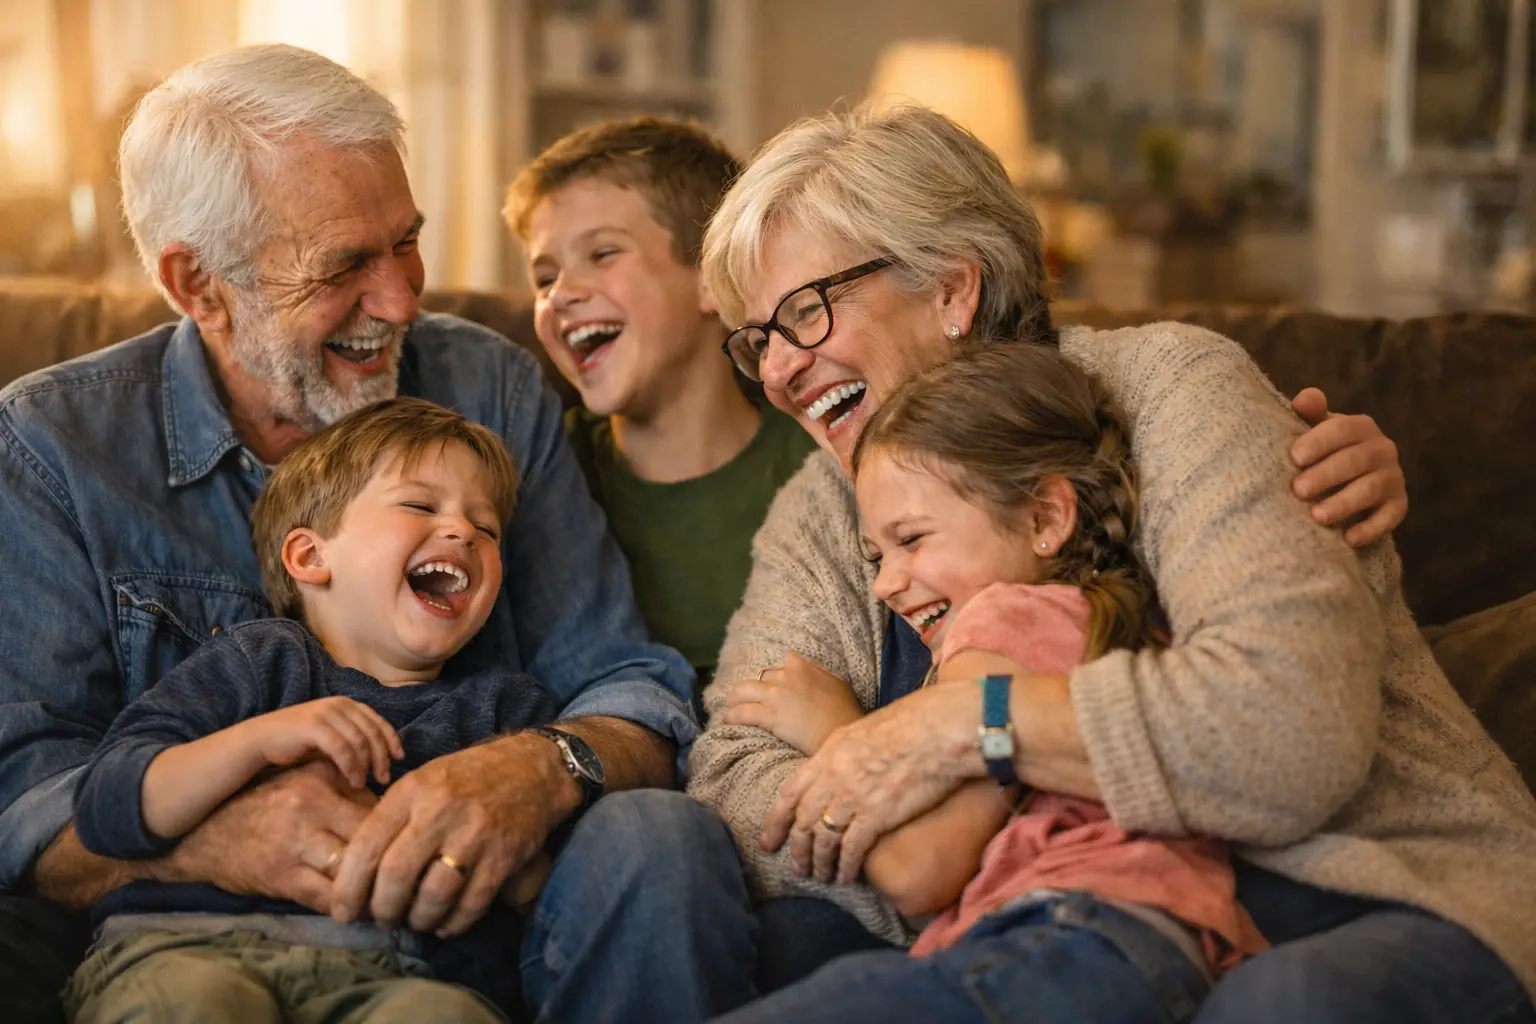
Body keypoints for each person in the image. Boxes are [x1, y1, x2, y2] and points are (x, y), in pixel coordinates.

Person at [688, 102, 1536, 1023]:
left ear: (951, 289)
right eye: (757, 339)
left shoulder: (1175, 389)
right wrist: (936, 835)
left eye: (806, 313)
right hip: (1035, 921)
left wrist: (956, 732)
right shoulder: (819, 506)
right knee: (801, 949)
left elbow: (1290, 732)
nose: (776, 372)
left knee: (1279, 1006)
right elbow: (735, 774)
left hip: (1350, 885)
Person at [0, 45, 755, 1024]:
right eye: (345, 264)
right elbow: (23, 791)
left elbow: (625, 682)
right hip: (181, 937)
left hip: (435, 942)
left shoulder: (488, 385)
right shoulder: (54, 447)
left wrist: (536, 767)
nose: (402, 299)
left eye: (406, 241)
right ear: (200, 286)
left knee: (662, 837)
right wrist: (217, 834)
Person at [717, 342, 1268, 1023]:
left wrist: (840, 735)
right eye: (875, 554)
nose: (887, 583)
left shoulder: (1004, 621)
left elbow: (918, 870)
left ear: (1044, 519)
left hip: (1076, 938)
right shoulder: (1103, 619)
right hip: (1145, 948)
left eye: (912, 539)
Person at [67, 397, 554, 1022]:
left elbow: (542, 887)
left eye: (486, 529)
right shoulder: (259, 660)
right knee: (193, 1008)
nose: (463, 531)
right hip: (182, 945)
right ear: (311, 557)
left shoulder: (504, 711)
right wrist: (258, 741)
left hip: (400, 971)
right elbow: (106, 807)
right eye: (419, 505)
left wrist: (500, 860)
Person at [504, 116, 816, 689]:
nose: (561, 294)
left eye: (601, 254)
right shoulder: (540, 469)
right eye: (544, 277)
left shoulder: (816, 460)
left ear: (710, 279)